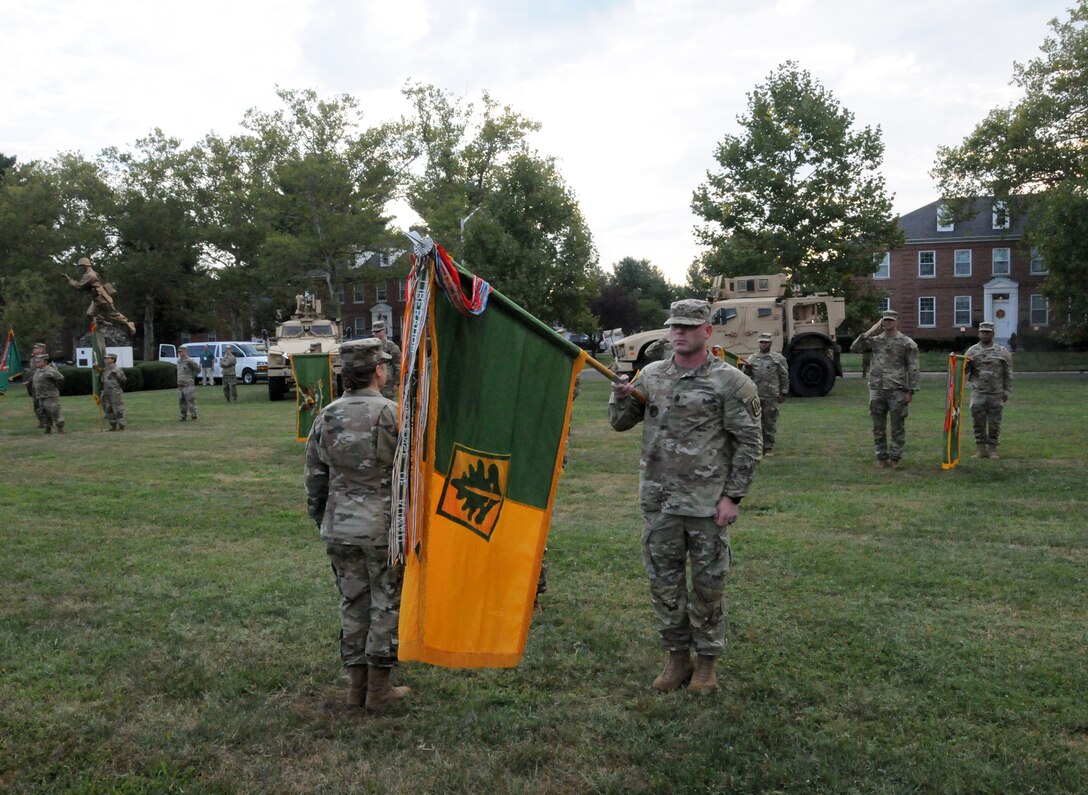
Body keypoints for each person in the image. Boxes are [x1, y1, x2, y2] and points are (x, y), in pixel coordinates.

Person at [609, 299, 763, 694]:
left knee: (708, 587)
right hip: (660, 503)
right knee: (664, 584)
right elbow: (620, 423)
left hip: (707, 505)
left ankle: (707, 664)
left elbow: (749, 444)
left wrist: (733, 498)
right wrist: (621, 395)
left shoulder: (732, 382)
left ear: (707, 332)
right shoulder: (653, 375)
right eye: (674, 326)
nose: (678, 332)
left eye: (688, 327)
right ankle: (677, 657)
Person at [304, 338, 409, 711]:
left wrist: (322, 516)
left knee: (353, 602)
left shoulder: (326, 415)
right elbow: (413, 475)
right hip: (383, 530)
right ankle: (378, 690)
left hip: (340, 527)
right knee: (385, 604)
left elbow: (315, 477)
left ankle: (356, 688)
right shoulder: (395, 415)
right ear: (378, 370)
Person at [852, 309, 920, 469]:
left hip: (897, 390)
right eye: (885, 320)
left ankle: (895, 458)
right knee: (878, 427)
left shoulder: (906, 343)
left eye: (891, 320)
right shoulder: (875, 341)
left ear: (897, 321)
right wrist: (872, 329)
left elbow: (913, 368)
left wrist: (911, 391)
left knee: (897, 426)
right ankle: (881, 457)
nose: (888, 323)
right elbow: (855, 347)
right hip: (877, 389)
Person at [964, 321, 1013, 459]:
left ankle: (992, 449)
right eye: (982, 332)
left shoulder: (1002, 352)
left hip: (996, 393)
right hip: (978, 393)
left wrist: (1006, 391)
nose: (984, 334)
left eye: (987, 332)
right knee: (978, 422)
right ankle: (980, 448)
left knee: (994, 423)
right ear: (979, 333)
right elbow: (964, 371)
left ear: (993, 333)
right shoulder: (971, 351)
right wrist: (967, 363)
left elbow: (1008, 373)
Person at [742, 332, 789, 457]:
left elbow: (784, 376)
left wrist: (783, 392)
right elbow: (745, 376)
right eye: (761, 342)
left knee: (770, 422)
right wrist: (746, 368)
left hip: (771, 395)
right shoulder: (752, 358)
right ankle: (758, 446)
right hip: (756, 395)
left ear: (770, 343)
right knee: (755, 422)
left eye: (766, 342)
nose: (763, 344)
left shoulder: (777, 359)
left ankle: (768, 447)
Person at [63, 257, 136, 336]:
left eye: (81, 266)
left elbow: (79, 286)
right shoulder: (87, 274)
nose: (81, 268)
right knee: (90, 314)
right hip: (96, 298)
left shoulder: (90, 275)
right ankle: (101, 322)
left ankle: (129, 324)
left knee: (113, 314)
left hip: (102, 297)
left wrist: (69, 280)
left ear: (86, 266)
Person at [31, 354, 65, 434]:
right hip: (41, 395)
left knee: (54, 412)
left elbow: (60, 378)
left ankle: (60, 429)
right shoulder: (38, 370)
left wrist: (54, 386)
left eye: (39, 361)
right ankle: (47, 428)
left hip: (50, 395)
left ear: (45, 362)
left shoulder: (50, 370)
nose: (37, 363)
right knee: (43, 413)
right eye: (36, 361)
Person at [372, 320, 401, 402]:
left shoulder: (391, 346)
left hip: (388, 382)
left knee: (388, 404)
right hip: (374, 382)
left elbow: (398, 364)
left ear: (384, 330)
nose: (377, 334)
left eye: (379, 331)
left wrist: (397, 383)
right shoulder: (371, 346)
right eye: (375, 332)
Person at [24, 342, 48, 428]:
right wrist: (28, 381)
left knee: (45, 403)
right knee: (36, 403)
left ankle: (47, 421)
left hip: (44, 384)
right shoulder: (33, 358)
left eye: (36, 348)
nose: (34, 350)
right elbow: (32, 371)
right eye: (34, 348)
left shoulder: (45, 358)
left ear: (42, 350)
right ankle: (41, 421)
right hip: (34, 384)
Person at [101, 353, 127, 431]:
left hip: (115, 391)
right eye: (105, 358)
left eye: (108, 358)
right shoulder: (105, 369)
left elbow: (123, 379)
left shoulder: (116, 369)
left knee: (118, 409)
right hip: (107, 391)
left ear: (113, 359)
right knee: (108, 409)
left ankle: (121, 425)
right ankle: (113, 425)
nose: (105, 360)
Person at [176, 347, 200, 421]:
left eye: (181, 351)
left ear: (185, 352)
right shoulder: (179, 361)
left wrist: (192, 377)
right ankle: (183, 416)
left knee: (190, 400)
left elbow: (197, 370)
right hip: (180, 384)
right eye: (178, 352)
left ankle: (194, 415)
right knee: (181, 401)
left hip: (188, 384)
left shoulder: (190, 361)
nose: (179, 353)